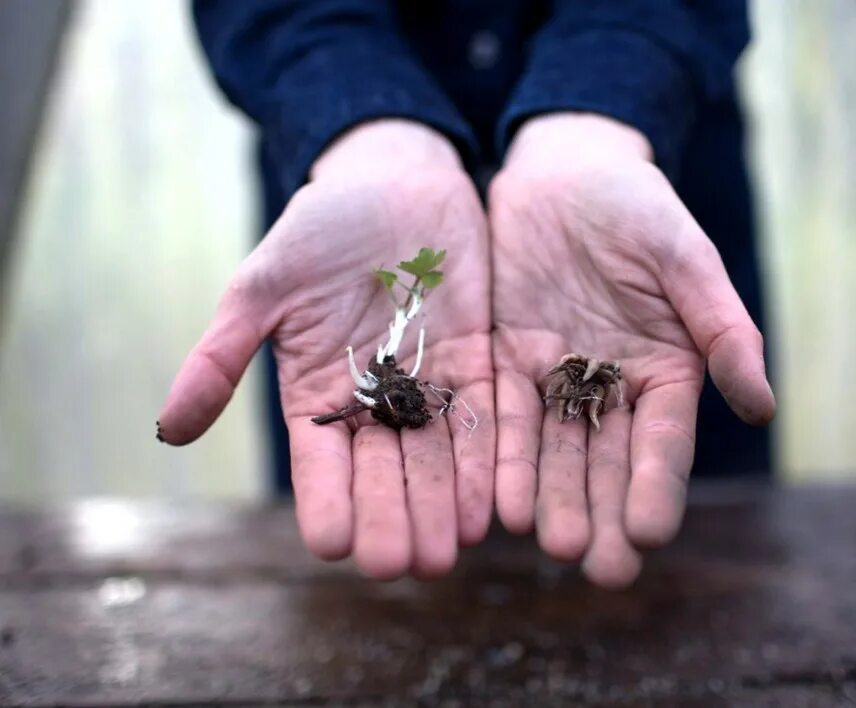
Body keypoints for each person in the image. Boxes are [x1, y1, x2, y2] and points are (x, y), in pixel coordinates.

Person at [157, 0, 775, 589]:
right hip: (345, 250)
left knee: (694, 554)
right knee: (361, 568)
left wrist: (604, 106)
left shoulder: (602, 356)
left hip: (635, 221)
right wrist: (356, 119)